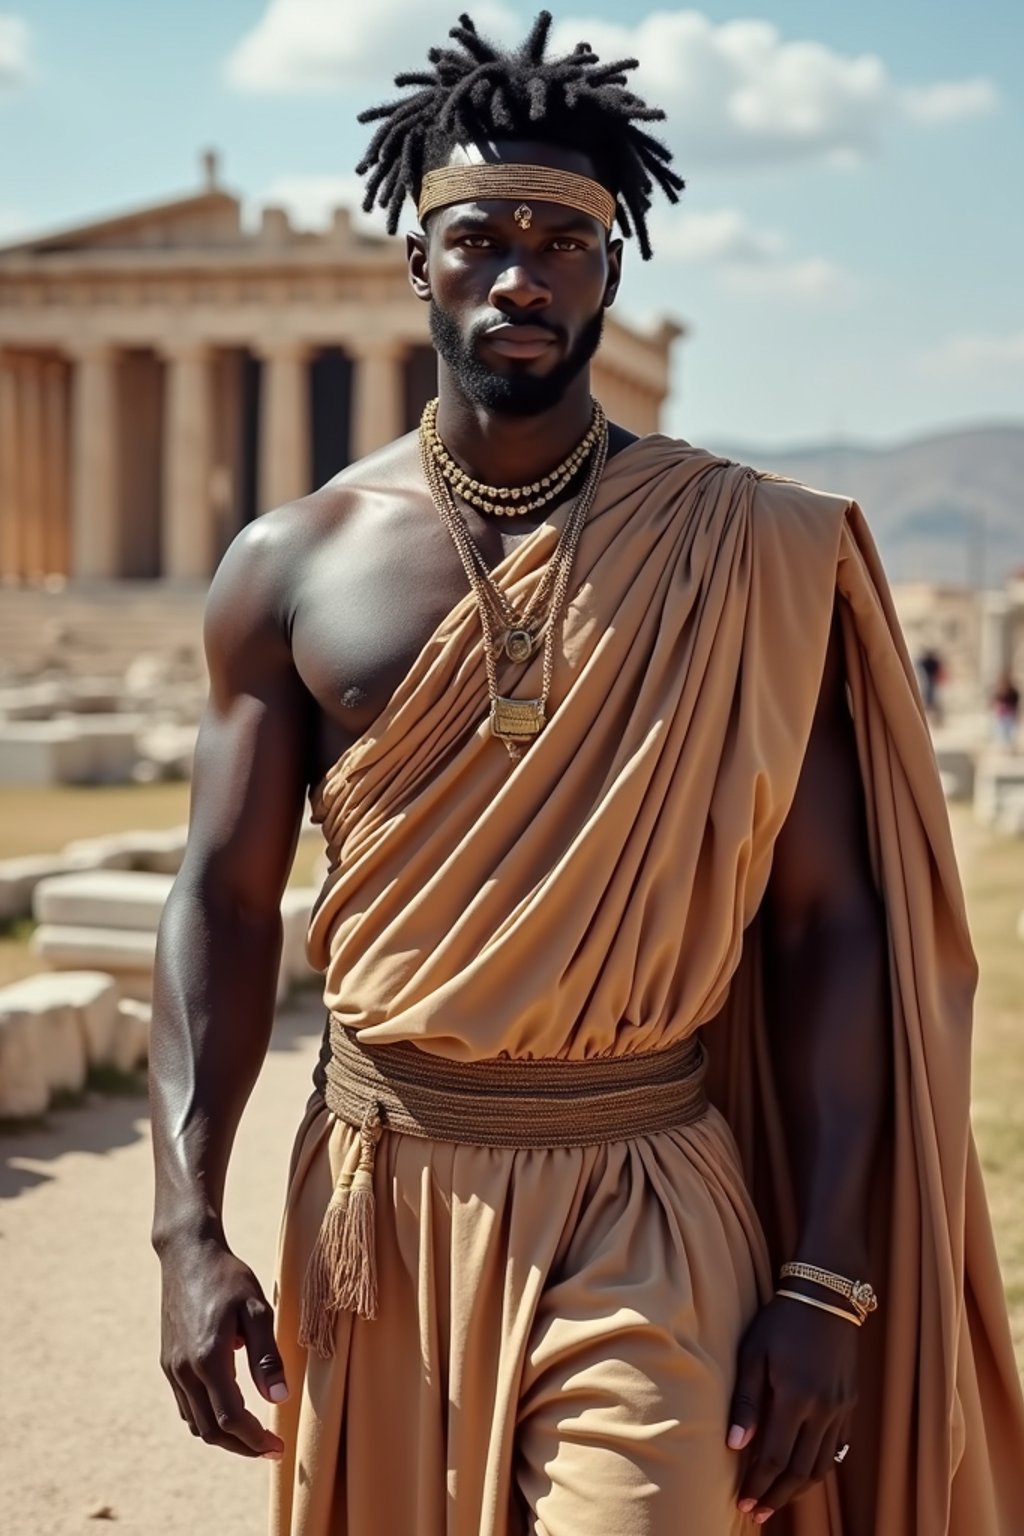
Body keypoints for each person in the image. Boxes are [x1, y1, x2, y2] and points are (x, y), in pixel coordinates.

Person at [149, 13, 1024, 1535]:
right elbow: (222, 902)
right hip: (379, 1194)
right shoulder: (288, 566)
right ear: (416, 262)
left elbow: (828, 929)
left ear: (614, 271)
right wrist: (184, 1228)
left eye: (566, 239)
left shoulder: (748, 555)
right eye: (479, 233)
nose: (521, 273)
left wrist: (825, 1272)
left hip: (647, 1194)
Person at [992, 669, 1020, 751]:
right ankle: (1005, 747)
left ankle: (1009, 747)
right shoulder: (1000, 690)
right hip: (1002, 714)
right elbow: (996, 700)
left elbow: (1015, 701)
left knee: (1010, 731)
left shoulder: (1013, 690)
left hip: (1010, 714)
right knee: (1002, 731)